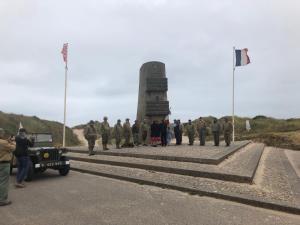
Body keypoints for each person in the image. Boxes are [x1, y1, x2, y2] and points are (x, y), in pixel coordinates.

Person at [0, 128, 15, 206]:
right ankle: (2, 200)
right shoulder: (3, 142)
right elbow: (13, 148)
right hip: (4, 164)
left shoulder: (4, 142)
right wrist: (12, 141)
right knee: (4, 182)